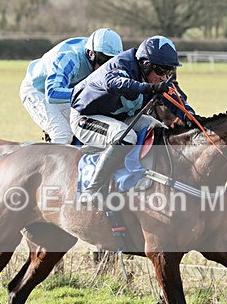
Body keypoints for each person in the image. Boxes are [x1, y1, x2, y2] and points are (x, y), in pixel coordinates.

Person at [70, 35, 194, 203]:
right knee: (126, 136)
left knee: (158, 129)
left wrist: (192, 118)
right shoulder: (121, 64)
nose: (164, 77)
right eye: (161, 71)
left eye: (169, 71)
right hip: (86, 118)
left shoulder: (155, 77)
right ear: (145, 64)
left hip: (119, 118)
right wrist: (150, 88)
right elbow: (116, 83)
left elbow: (177, 102)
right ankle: (92, 189)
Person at [20, 28, 123, 144]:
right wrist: (89, 93)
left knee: (82, 126)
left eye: (112, 61)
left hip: (66, 89)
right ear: (91, 54)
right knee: (62, 134)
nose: (107, 67)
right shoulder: (70, 58)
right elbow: (52, 93)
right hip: (38, 91)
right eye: (104, 61)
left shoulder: (98, 51)